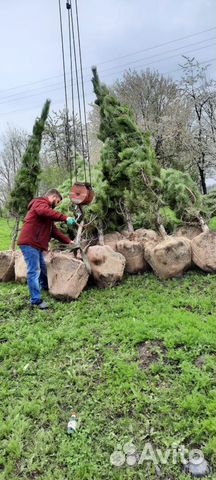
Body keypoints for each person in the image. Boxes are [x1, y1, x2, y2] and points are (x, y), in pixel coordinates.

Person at [18, 188, 76, 309]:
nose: (58, 204)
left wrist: (69, 241)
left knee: (43, 267)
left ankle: (45, 287)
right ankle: (36, 300)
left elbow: (54, 232)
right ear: (54, 197)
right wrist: (65, 218)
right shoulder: (40, 202)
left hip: (36, 244)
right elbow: (44, 211)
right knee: (34, 270)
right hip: (29, 242)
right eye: (58, 201)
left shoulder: (46, 214)